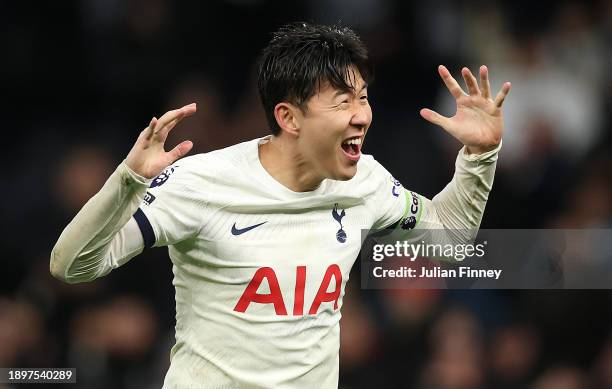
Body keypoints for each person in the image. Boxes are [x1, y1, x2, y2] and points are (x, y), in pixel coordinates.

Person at [50, 22, 510, 388]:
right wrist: (128, 181)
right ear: (288, 117)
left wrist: (479, 157)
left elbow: (447, 241)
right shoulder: (200, 183)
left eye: (364, 98)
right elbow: (73, 267)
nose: (362, 115)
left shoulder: (366, 181)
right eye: (342, 101)